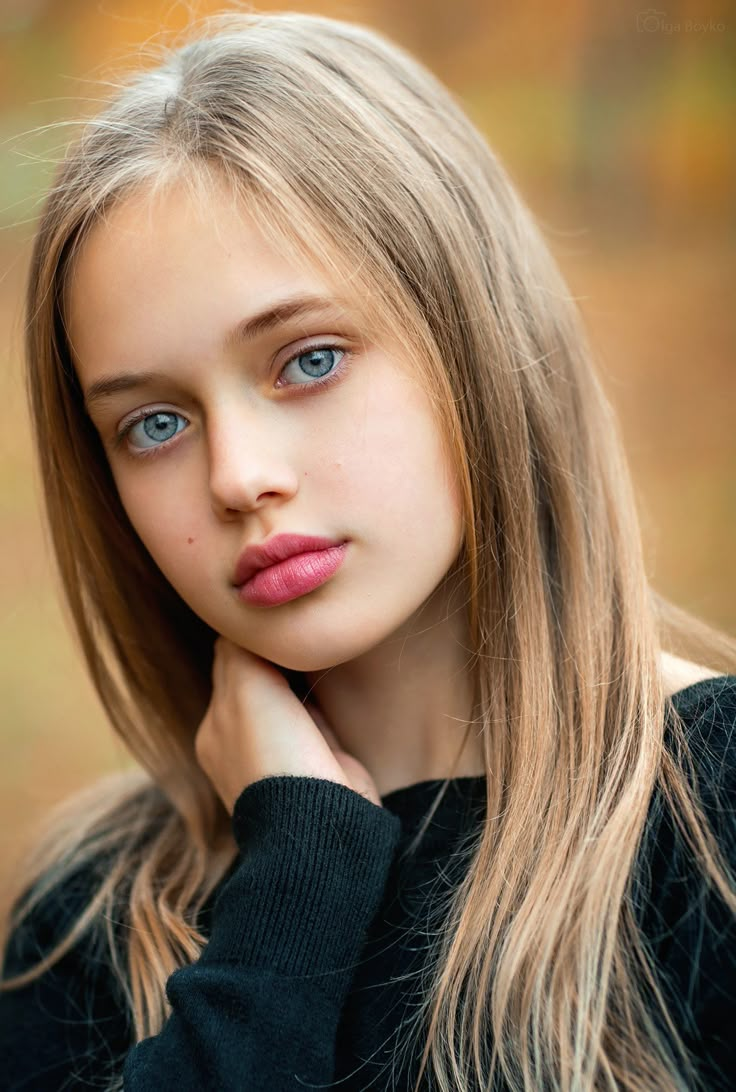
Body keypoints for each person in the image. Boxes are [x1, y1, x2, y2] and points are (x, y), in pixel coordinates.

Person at [1, 9, 734, 1091]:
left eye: (308, 360)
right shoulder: (90, 918)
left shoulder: (711, 818)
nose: (239, 477)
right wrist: (291, 897)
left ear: (469, 329)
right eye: (153, 424)